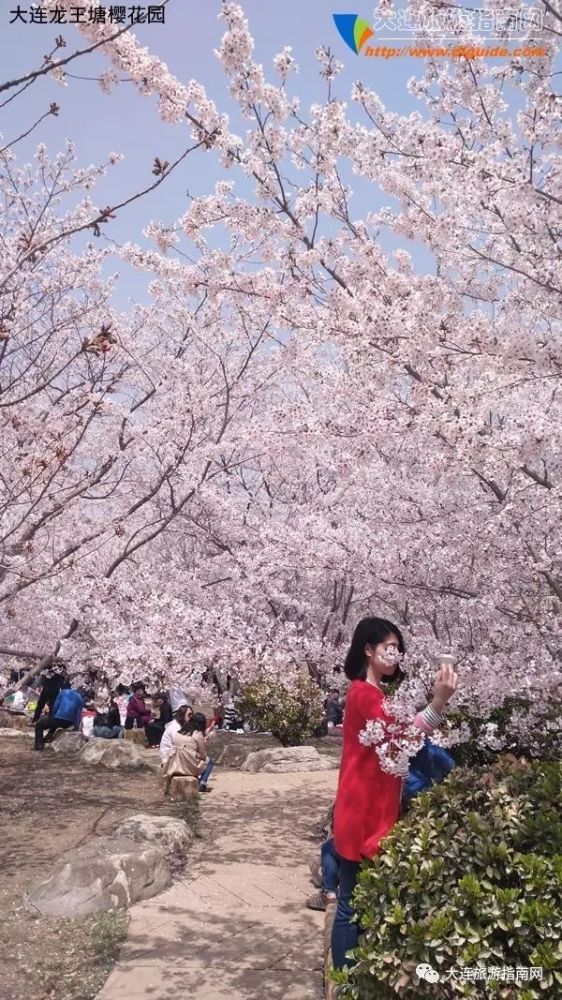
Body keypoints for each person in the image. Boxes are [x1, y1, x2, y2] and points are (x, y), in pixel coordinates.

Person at [331, 616, 458, 971]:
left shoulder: (374, 695)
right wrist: (438, 703)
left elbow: (401, 738)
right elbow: (402, 742)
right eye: (389, 648)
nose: (396, 654)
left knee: (355, 900)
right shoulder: (362, 693)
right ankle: (343, 981)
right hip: (362, 810)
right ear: (368, 650)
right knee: (348, 905)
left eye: (398, 649)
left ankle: (353, 974)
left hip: (368, 806)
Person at [33, 682, 85, 751]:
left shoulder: (63, 692)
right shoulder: (80, 698)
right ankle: (48, 737)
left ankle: (39, 745)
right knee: (55, 722)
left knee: (39, 725)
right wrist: (76, 728)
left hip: (59, 719)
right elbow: (78, 716)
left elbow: (55, 707)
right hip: (68, 723)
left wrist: (52, 716)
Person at [183, 712, 214, 792]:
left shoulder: (182, 731)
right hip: (190, 763)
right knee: (209, 761)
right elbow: (203, 756)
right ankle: (202, 782)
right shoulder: (197, 734)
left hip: (179, 760)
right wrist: (205, 741)